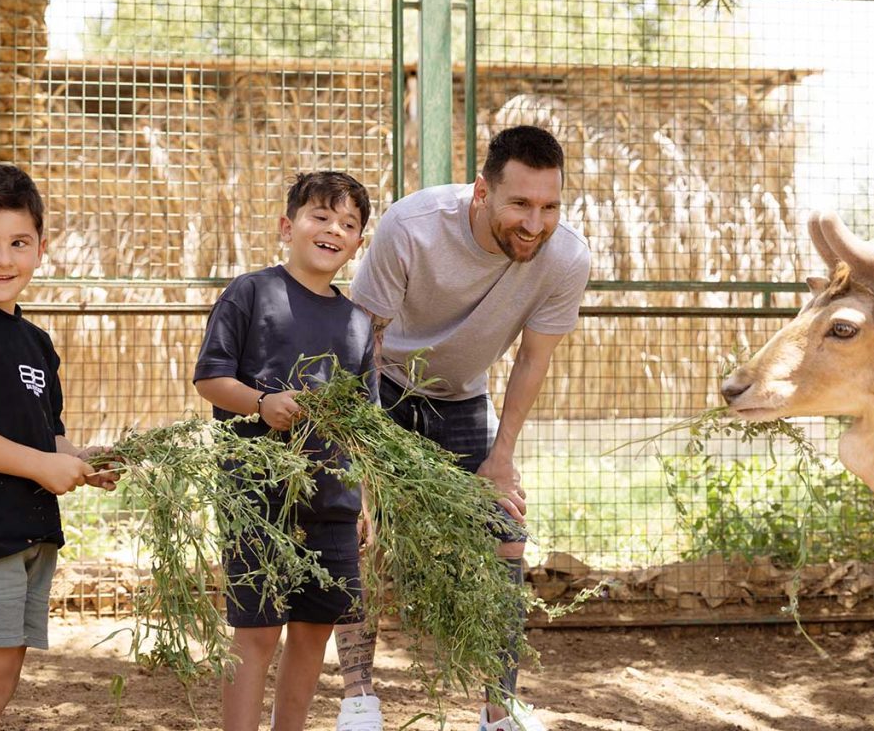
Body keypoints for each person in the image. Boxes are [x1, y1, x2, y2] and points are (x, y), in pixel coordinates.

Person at [344, 125, 591, 731]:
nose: (535, 223)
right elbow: (360, 345)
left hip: (461, 398)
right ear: (482, 191)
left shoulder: (567, 259)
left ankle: (497, 709)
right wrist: (361, 460)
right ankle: (358, 700)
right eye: (521, 205)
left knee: (506, 529)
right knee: (359, 537)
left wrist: (501, 458)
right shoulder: (412, 226)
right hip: (384, 386)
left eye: (550, 206)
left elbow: (534, 359)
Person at [193, 171, 383, 731]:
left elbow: (362, 428)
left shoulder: (355, 322)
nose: (333, 230)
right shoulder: (251, 292)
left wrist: (364, 499)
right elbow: (209, 379)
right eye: (320, 216)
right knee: (254, 633)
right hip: (257, 496)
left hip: (333, 502)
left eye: (348, 224)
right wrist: (260, 404)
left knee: (313, 632)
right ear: (287, 226)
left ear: (358, 244)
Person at [0, 161, 120, 731]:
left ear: (41, 249)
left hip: (28, 532)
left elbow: (45, 434)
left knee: (2, 680)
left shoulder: (35, 341)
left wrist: (81, 462)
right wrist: (42, 465)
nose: (3, 259)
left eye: (19, 242)